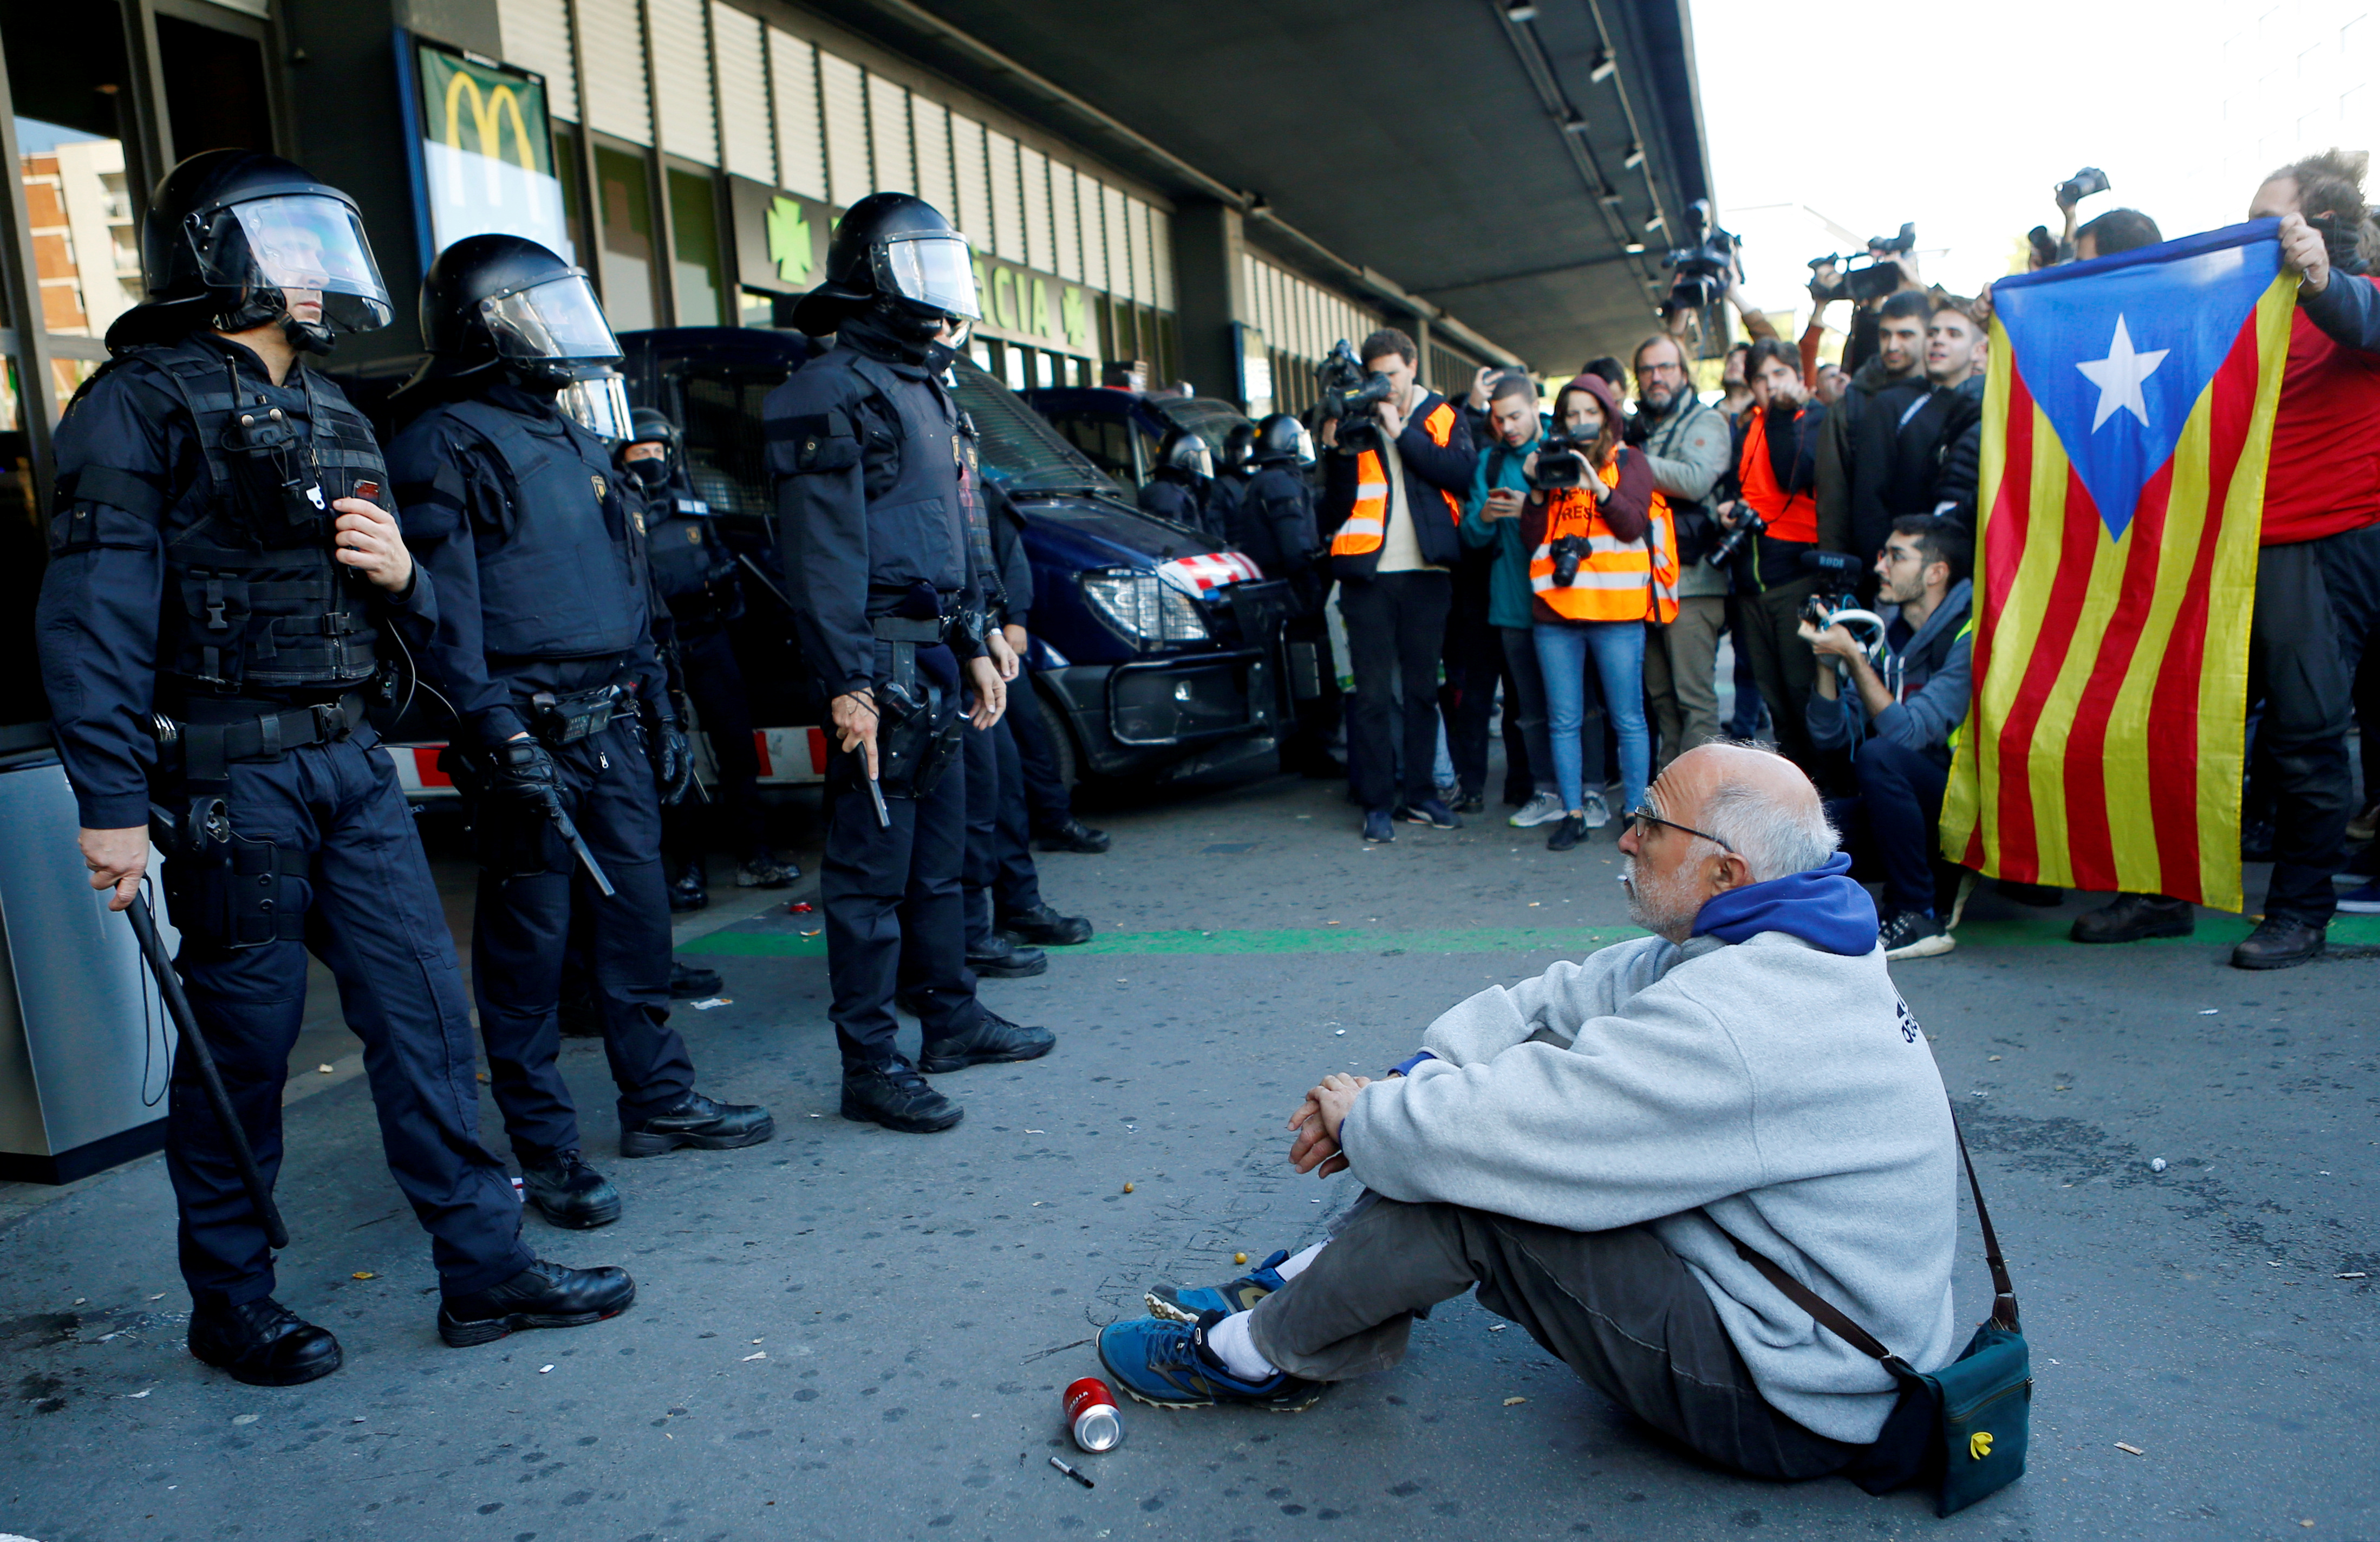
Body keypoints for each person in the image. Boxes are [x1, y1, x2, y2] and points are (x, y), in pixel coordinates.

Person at [36, 151, 632, 1381]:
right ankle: (233, 1300)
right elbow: (90, 617)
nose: (314, 271)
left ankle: (485, 1265)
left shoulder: (342, 412)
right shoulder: (133, 406)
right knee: (243, 1051)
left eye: (321, 246)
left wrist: (404, 576)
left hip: (348, 766)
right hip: (227, 782)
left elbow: (409, 614)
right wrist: (106, 804)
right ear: (219, 255)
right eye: (289, 245)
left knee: (423, 1017)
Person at [1097, 744, 1957, 1493]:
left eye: (1650, 823)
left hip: (1799, 1397)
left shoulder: (1740, 1013)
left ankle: (1252, 1353)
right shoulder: (1766, 940)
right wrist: (1408, 1078)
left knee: (1482, 1185)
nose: (1623, 836)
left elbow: (1494, 1135)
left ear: (1725, 871)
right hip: (1794, 1317)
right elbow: (1556, 1001)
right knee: (1463, 1133)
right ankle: (1310, 1290)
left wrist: (1367, 1116)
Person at [389, 235, 773, 1230]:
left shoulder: (570, 436)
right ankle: (545, 1148)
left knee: (641, 925)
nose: (562, 334)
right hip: (530, 734)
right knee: (529, 955)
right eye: (539, 313)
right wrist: (493, 730)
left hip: (613, 725)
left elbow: (630, 589)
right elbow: (442, 615)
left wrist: (659, 703)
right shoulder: (442, 441)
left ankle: (659, 1101)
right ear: (486, 330)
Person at [765, 192, 1055, 1133]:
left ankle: (952, 1020)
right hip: (879, 657)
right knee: (870, 876)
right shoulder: (827, 387)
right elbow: (820, 556)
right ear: (873, 279)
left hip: (934, 652)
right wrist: (848, 681)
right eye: (918, 267)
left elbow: (955, 534)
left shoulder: (925, 385)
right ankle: (870, 1064)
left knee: (943, 859)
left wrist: (974, 643)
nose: (940, 291)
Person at [2074, 151, 2380, 966]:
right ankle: (2159, 893)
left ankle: (2299, 913)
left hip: (2313, 550)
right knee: (2172, 713)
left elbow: (2360, 318)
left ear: (2320, 231)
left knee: (2305, 737)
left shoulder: (2354, 298)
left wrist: (2321, 281)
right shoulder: (2248, 311)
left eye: (2267, 220)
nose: (2249, 234)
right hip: (2222, 549)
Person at [616, 409, 795, 912]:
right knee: (671, 761)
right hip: (658, 651)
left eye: (657, 452)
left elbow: (723, 569)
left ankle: (755, 857)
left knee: (737, 750)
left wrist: (724, 589)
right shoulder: (620, 513)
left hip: (708, 638)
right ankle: (687, 871)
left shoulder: (693, 506)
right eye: (639, 453)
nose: (651, 461)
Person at [1318, 328, 1478, 842]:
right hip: (1367, 576)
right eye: (1376, 376)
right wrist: (1338, 448)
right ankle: (1376, 802)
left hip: (1427, 574)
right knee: (1369, 695)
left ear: (1412, 366)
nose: (1384, 384)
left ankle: (1422, 795)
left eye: (1392, 373)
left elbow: (1459, 473)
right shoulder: (1353, 416)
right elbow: (1336, 505)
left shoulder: (1442, 416)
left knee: (1420, 692)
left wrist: (1399, 429)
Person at [1802, 517, 1973, 961]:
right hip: (1905, 807)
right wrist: (1826, 663)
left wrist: (1857, 663)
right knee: (1800, 826)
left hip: (1966, 805)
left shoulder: (1969, 636)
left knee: (1880, 755)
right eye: (1882, 554)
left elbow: (1909, 736)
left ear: (1936, 572)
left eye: (1896, 557)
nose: (1880, 566)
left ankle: (1917, 911)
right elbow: (1830, 736)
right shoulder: (1888, 631)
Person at [1523, 374, 1671, 850]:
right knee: (1562, 718)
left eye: (1590, 412)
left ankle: (1635, 813)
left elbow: (1631, 526)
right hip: (1555, 612)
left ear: (1608, 414)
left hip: (1616, 610)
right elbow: (1532, 540)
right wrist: (1536, 490)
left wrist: (1596, 486)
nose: (1581, 422)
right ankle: (1571, 812)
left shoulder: (1629, 461)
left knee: (1627, 718)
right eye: (1571, 413)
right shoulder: (1553, 464)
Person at [955, 477, 1092, 982]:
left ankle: (1015, 906)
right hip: (945, 650)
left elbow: (991, 557)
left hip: (978, 639)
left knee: (1007, 783)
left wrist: (1005, 621)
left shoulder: (964, 465)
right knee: (975, 801)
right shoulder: (917, 463)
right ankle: (970, 936)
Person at [1718, 339, 1829, 774]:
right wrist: (1727, 507)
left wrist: (1783, 414)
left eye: (1779, 374)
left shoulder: (1813, 417)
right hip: (1750, 583)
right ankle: (1793, 793)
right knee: (1775, 701)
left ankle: (1823, 796)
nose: (1769, 386)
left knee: (1803, 695)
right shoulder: (1751, 426)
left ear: (1798, 378)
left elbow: (1791, 474)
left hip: (1794, 579)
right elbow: (1737, 483)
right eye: (1760, 379)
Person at [1629, 333, 1735, 775]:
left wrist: (1625, 463)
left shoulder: (1706, 422)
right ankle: (1671, 803)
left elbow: (1693, 480)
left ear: (1684, 373)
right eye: (1648, 370)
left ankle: (1700, 803)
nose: (1657, 377)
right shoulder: (1639, 428)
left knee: (1694, 701)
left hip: (1692, 583)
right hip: (1647, 585)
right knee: (1661, 699)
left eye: (1666, 367)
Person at [1462, 373, 1563, 829]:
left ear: (1535, 407)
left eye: (1516, 416)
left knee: (1577, 708)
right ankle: (1544, 790)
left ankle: (1583, 791)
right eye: (1499, 418)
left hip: (1566, 602)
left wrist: (1534, 510)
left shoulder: (1560, 456)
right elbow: (1470, 534)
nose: (1508, 426)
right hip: (1510, 604)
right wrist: (1484, 516)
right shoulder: (1489, 461)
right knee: (1527, 709)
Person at [1232, 412, 1341, 778]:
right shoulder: (1282, 484)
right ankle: (1314, 751)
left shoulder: (1261, 482)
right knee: (1313, 672)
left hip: (1274, 594)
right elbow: (1295, 547)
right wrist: (1322, 560)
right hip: (1296, 594)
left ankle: (1299, 752)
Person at [1815, 289, 1933, 578]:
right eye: (1885, 335)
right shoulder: (1851, 405)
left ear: (1929, 336)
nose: (1892, 345)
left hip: (1939, 564)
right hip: (1872, 566)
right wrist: (1838, 573)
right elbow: (1833, 502)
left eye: (1906, 335)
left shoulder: (1949, 394)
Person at [1138, 427, 1229, 541]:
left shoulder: (1174, 491)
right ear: (1188, 460)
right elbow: (1174, 541)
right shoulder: (1166, 495)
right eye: (1199, 458)